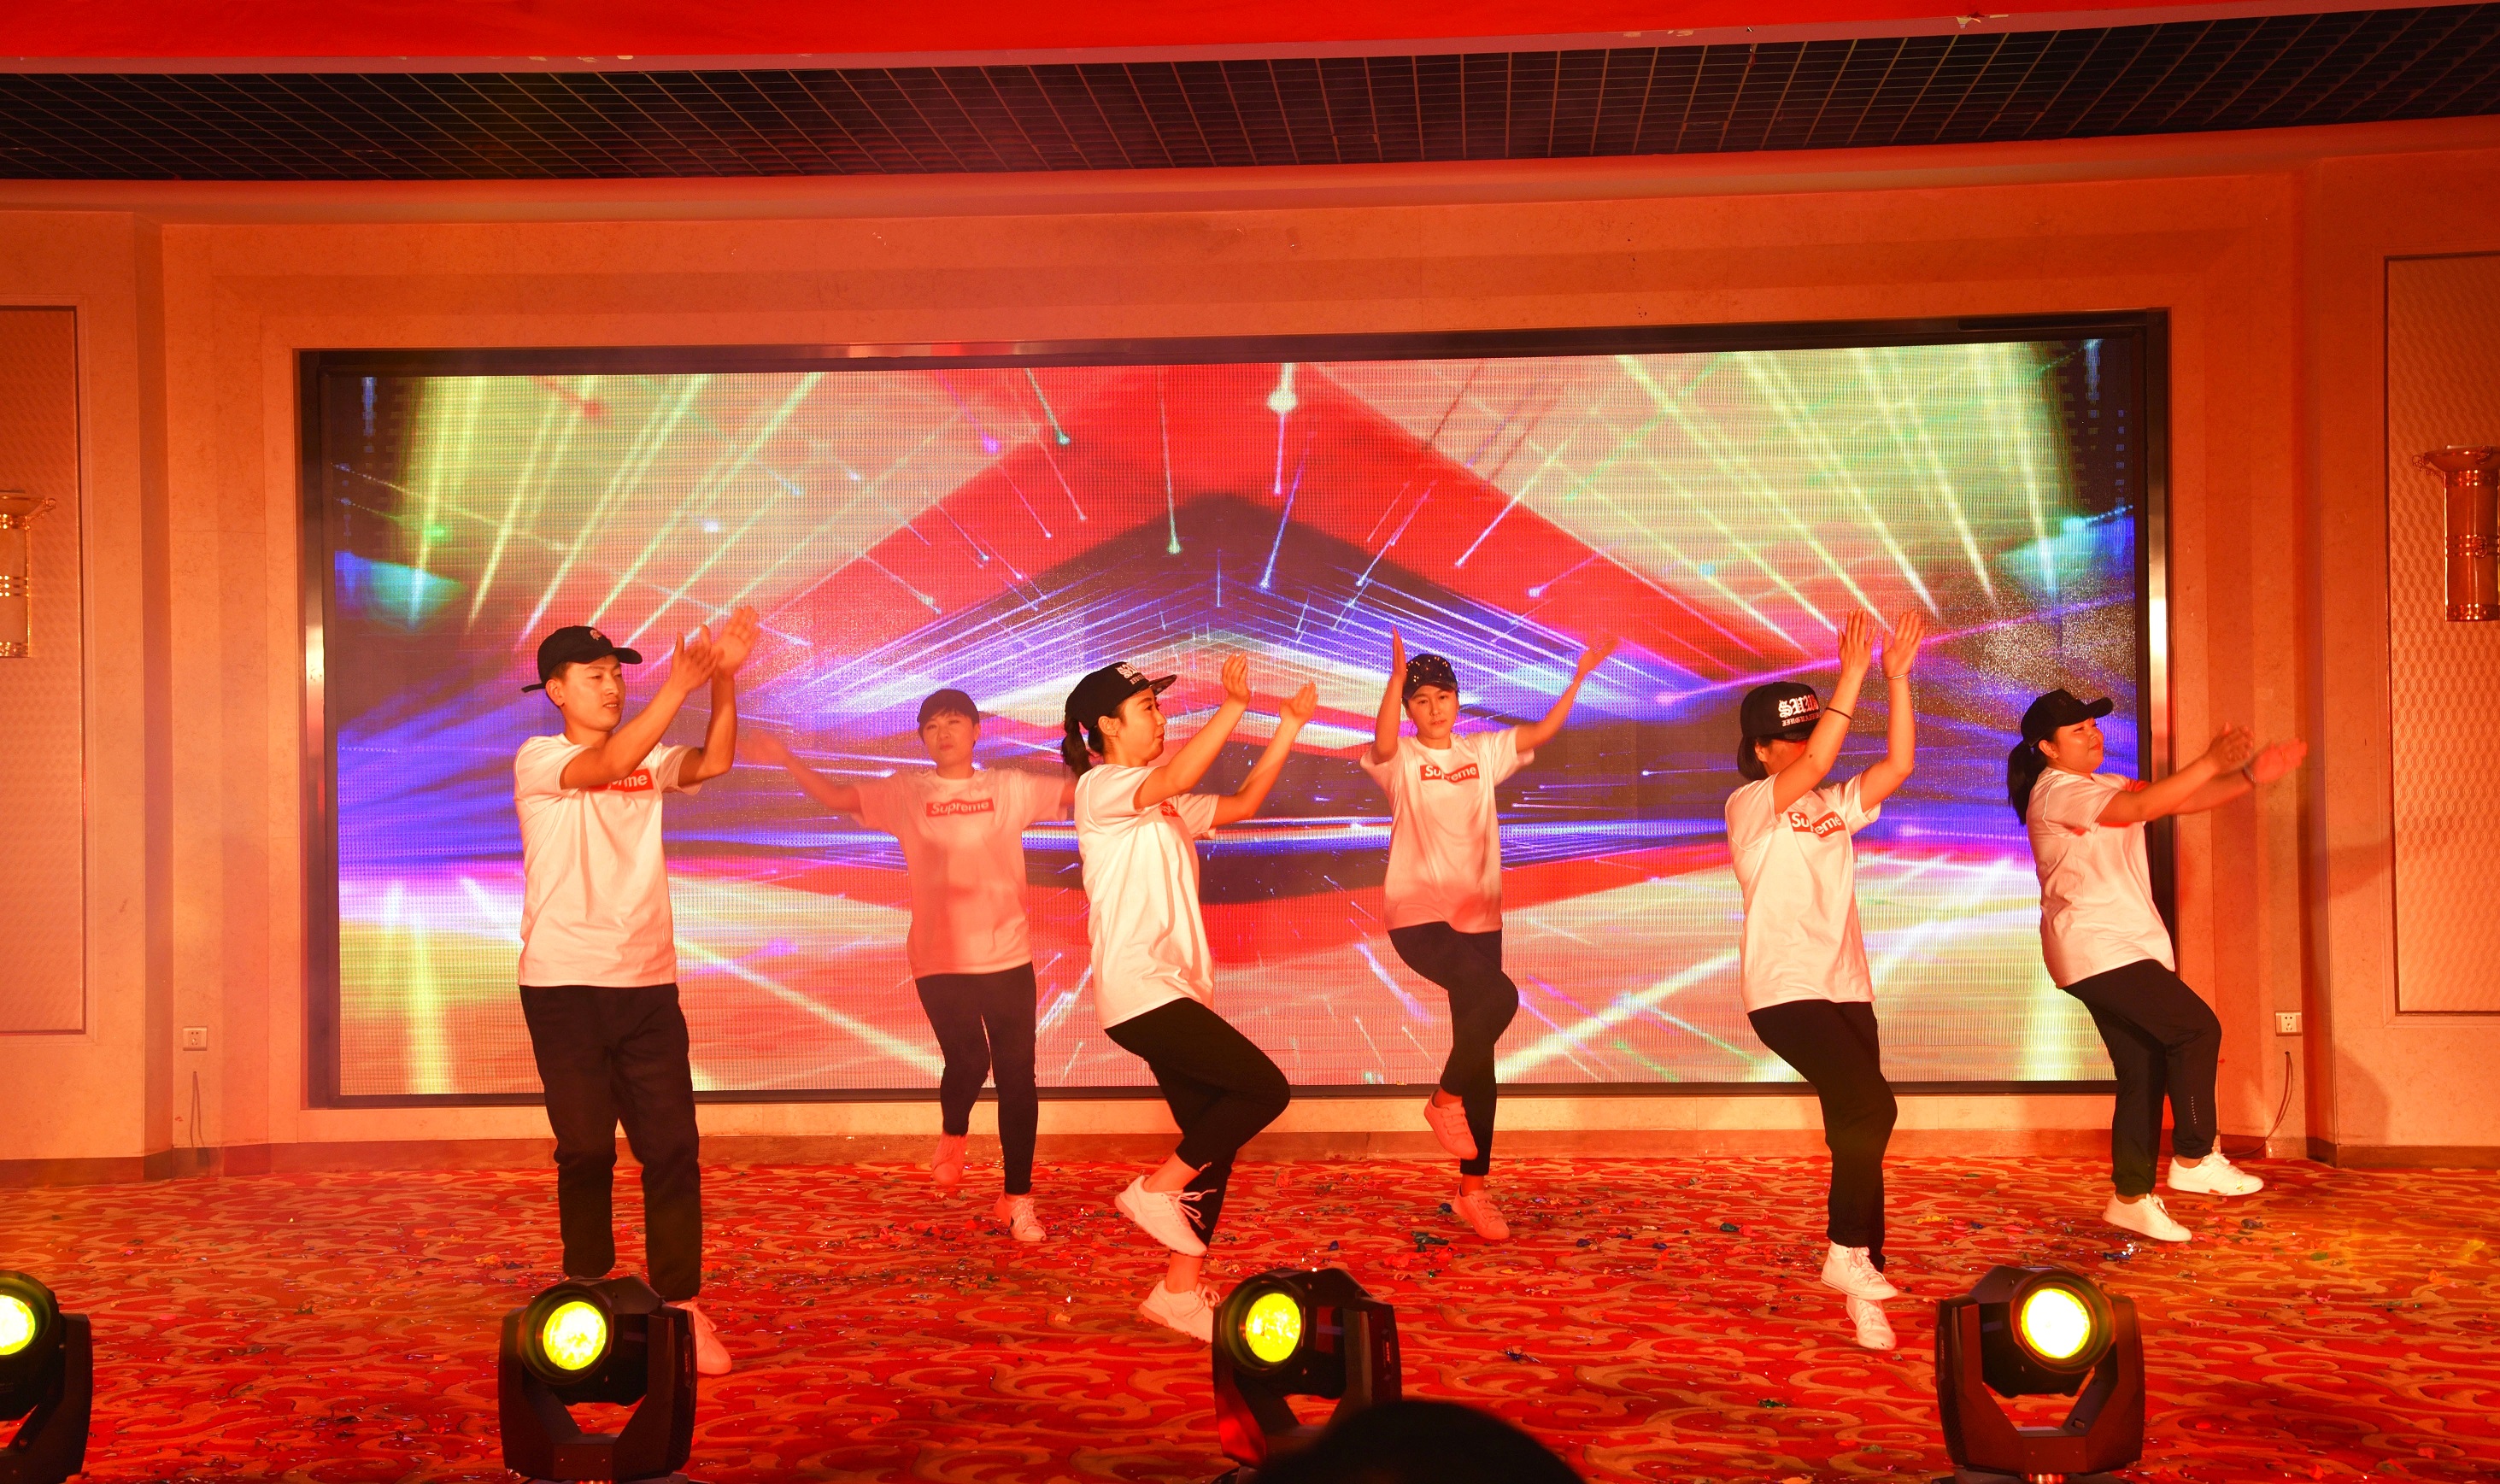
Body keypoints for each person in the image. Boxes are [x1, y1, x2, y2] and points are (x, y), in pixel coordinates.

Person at [512, 609, 759, 1379]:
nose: (613, 686)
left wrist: (722, 682)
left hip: (648, 981)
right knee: (586, 1147)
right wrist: (678, 686)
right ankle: (586, 1293)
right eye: (595, 676)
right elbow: (610, 759)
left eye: (619, 674)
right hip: (564, 984)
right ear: (556, 690)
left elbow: (716, 760)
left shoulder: (645, 757)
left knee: (673, 1148)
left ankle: (681, 1305)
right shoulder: (540, 758)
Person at [748, 689, 1071, 1242]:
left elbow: (1080, 792)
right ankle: (954, 1132)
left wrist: (1100, 752)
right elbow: (838, 797)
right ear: (922, 737)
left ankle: (1017, 1198)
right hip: (939, 955)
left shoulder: (1008, 787)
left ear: (976, 730)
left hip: (1007, 953)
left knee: (1018, 1076)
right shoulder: (907, 792)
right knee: (968, 1060)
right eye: (932, 726)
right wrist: (785, 758)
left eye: (954, 722)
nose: (944, 733)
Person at [1062, 656, 1317, 1342]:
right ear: (1107, 726)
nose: (1161, 718)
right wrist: (1233, 706)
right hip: (1141, 990)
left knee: (1214, 1142)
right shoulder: (1100, 788)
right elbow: (1173, 776)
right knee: (1264, 1089)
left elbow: (1243, 803)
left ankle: (1176, 1292)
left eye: (1159, 705)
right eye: (1147, 708)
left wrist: (1287, 726)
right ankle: (1153, 1188)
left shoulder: (1163, 805)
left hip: (1175, 990)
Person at [2010, 689, 2306, 1242]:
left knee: (2142, 1068)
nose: (2093, 735)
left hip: (2119, 945)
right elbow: (2143, 809)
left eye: (2093, 725)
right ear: (2047, 747)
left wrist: (2247, 776)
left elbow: (2172, 801)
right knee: (2196, 1028)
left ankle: (2131, 1197)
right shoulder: (2057, 793)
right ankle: (2194, 1156)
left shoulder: (2100, 783)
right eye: (2077, 731)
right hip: (2096, 946)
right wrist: (2210, 760)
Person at [1359, 631, 1614, 1240]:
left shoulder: (1484, 751)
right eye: (1421, 700)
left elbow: (1541, 732)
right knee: (1500, 998)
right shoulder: (1400, 761)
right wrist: (1393, 681)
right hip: (1417, 912)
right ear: (1408, 708)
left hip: (1480, 917)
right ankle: (1444, 1101)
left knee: (1480, 1058)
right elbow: (1384, 740)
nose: (1434, 709)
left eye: (1443, 697)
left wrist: (1578, 677)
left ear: (1457, 700)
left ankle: (1472, 1191)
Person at [1725, 608, 1924, 1352]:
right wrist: (1853, 673)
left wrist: (1896, 679)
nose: (1810, 746)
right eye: (1795, 736)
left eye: (1815, 731)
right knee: (1873, 1105)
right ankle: (1845, 1251)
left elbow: (1897, 766)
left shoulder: (1832, 806)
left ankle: (1863, 1283)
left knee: (1856, 1130)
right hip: (1785, 988)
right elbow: (1811, 767)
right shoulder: (1751, 805)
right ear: (1761, 749)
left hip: (1847, 986)